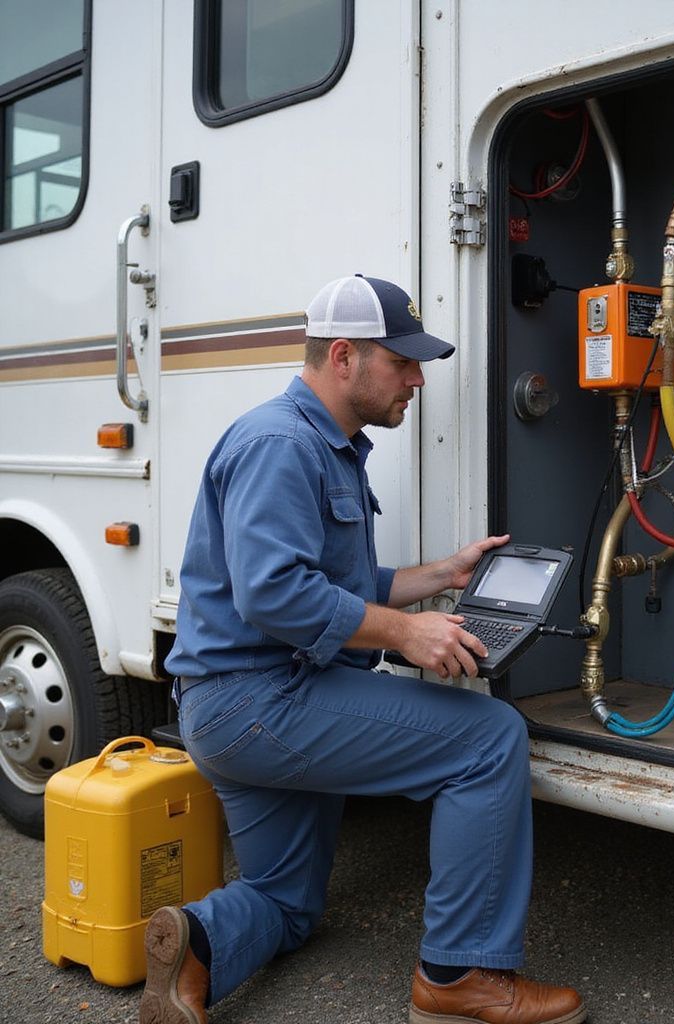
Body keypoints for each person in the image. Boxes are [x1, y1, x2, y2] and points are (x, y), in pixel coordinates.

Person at [140, 275, 586, 1024]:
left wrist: (442, 576)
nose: (417, 379)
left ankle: (197, 948)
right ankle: (456, 976)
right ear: (342, 356)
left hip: (236, 710)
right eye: (401, 361)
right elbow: (273, 592)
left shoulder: (329, 445)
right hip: (261, 701)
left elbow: (347, 582)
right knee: (487, 741)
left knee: (286, 904)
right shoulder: (281, 443)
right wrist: (408, 633)